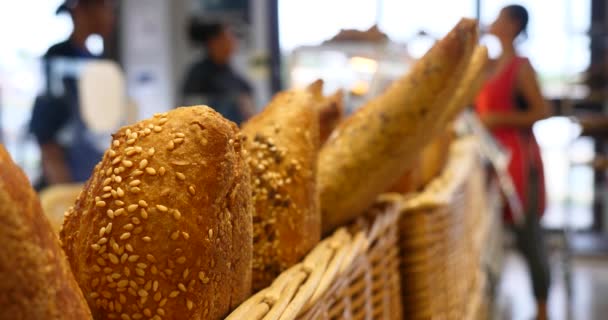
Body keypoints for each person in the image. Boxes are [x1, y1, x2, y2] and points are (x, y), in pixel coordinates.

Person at [475, 5, 551, 320]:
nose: (493, 22)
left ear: (513, 25)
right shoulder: (489, 65)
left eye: (500, 17)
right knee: (489, 234)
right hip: (490, 158)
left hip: (518, 161)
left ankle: (542, 307)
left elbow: (541, 111)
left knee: (528, 233)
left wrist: (498, 119)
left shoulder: (521, 67)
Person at [30, 0, 116, 189]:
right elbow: (46, 132)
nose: (111, 16)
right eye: (106, 7)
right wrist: (64, 189)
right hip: (67, 179)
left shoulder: (100, 62)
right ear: (82, 10)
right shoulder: (58, 57)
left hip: (96, 176)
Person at [182, 20, 255, 125]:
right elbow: (189, 112)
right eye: (228, 36)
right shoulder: (198, 74)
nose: (233, 41)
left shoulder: (230, 72)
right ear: (214, 42)